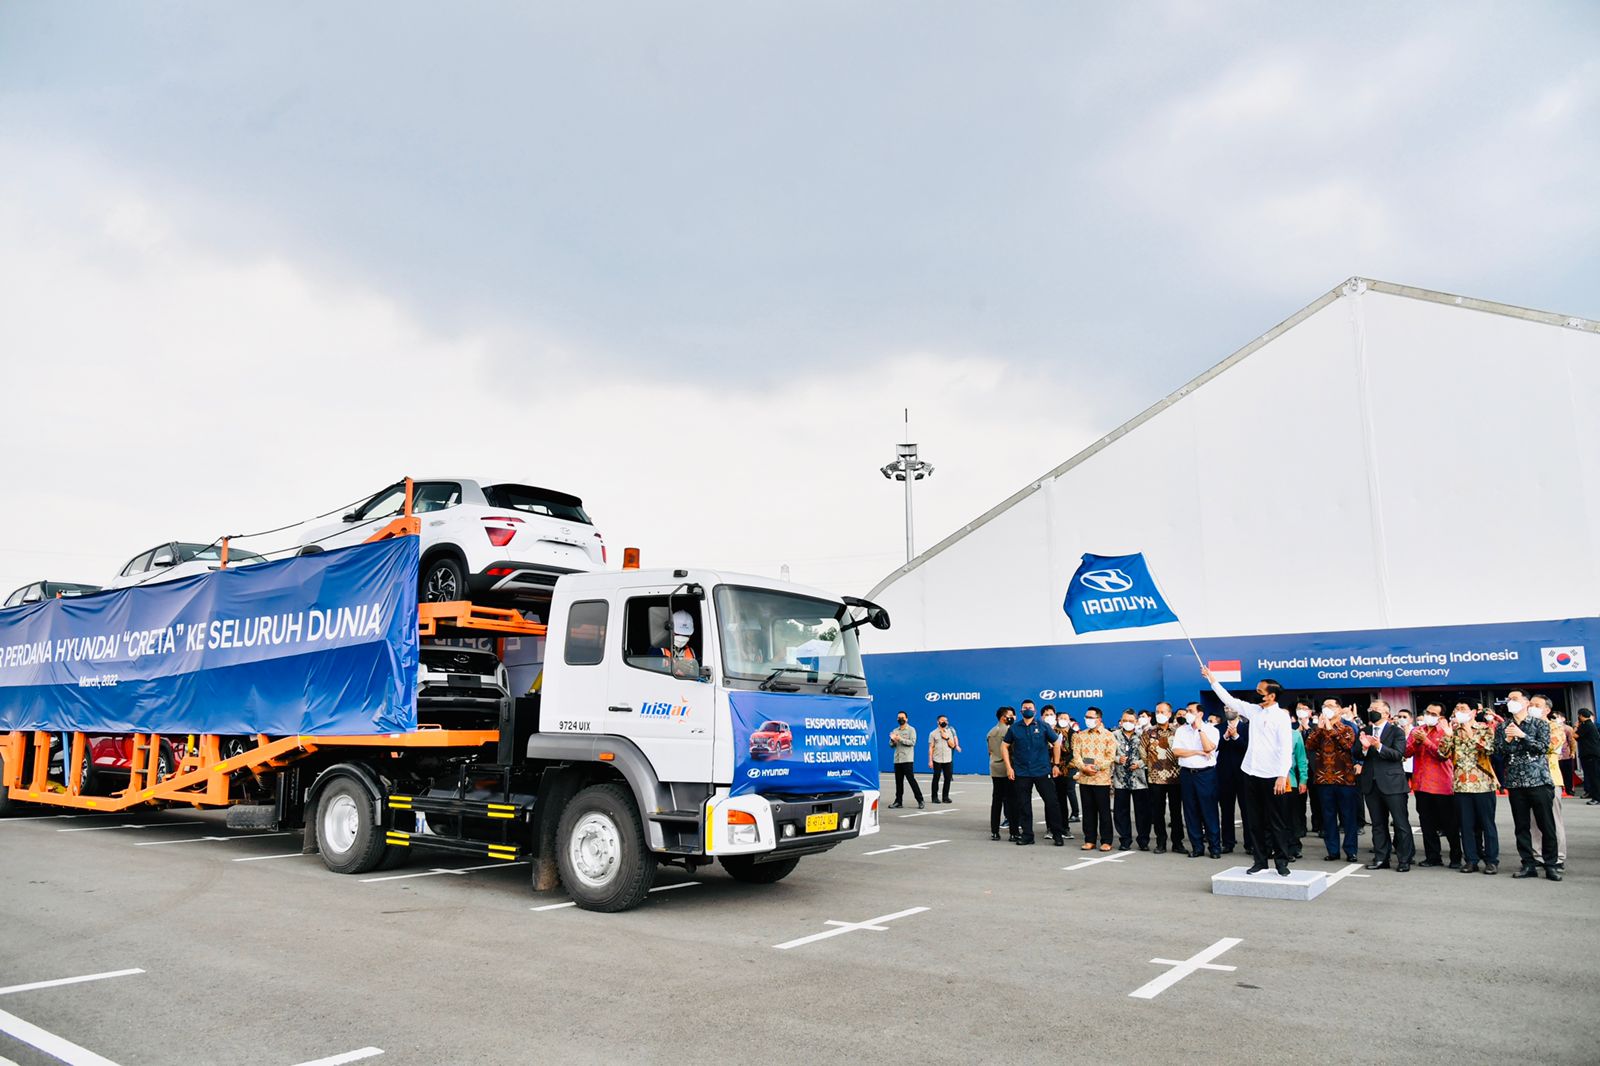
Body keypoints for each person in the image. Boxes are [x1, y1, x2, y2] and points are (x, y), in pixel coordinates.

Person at [1203, 669, 1294, 876]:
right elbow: (1229, 699)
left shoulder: (1281, 717)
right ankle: (1260, 860)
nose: (1256, 693)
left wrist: (1282, 775)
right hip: (1250, 773)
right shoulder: (1254, 711)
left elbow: (1285, 748)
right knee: (1254, 821)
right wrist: (1213, 680)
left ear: (1271, 696)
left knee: (1276, 822)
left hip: (1272, 776)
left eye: (1260, 691)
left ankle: (1281, 862)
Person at [1497, 697, 1560, 881]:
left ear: (1526, 703)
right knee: (1521, 826)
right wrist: (1508, 739)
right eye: (1509, 699)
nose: (1511, 702)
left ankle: (1551, 865)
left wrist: (1523, 735)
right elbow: (1499, 752)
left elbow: (1543, 748)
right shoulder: (1503, 726)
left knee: (1546, 825)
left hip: (1538, 781)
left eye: (1515, 698)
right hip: (1515, 782)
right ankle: (1528, 863)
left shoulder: (1539, 724)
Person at [1439, 701, 1499, 874]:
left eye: (1463, 709)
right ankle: (1471, 860)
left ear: (1473, 712)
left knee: (1487, 825)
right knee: (1466, 825)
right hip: (1460, 785)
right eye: (1456, 709)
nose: (1459, 712)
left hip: (1483, 784)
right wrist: (1448, 735)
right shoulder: (1453, 732)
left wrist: (1470, 733)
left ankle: (1491, 860)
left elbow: (1488, 750)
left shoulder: (1484, 729)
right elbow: (1442, 754)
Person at [1356, 699, 1415, 872]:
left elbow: (1398, 754)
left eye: (1376, 709)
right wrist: (1365, 748)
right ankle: (1382, 858)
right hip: (1371, 783)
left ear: (1387, 714)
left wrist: (1378, 746)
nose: (1372, 711)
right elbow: (1355, 752)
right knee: (1378, 824)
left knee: (1400, 823)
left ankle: (1404, 859)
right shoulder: (1364, 730)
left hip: (1393, 783)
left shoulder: (1396, 732)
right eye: (1371, 708)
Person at [1002, 701, 1065, 846]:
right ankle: (1027, 835)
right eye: (1025, 708)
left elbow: (1056, 743)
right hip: (1022, 772)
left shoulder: (1043, 726)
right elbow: (1004, 746)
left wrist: (1055, 764)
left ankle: (1057, 834)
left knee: (1052, 803)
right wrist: (1009, 767)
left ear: (1035, 711)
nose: (1028, 710)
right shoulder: (1014, 728)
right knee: (1023, 804)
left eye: (1030, 708)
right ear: (1021, 710)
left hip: (1042, 771)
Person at [1406, 704, 1461, 868]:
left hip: (1442, 785)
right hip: (1421, 785)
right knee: (1426, 822)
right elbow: (1406, 752)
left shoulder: (1446, 732)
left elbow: (1443, 756)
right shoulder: (1417, 730)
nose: (1429, 715)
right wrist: (1416, 742)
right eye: (1427, 712)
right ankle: (1432, 856)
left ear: (1441, 717)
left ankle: (1456, 857)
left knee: (1449, 824)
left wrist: (1426, 741)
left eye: (1433, 713)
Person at [1304, 699, 1360, 862]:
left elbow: (1347, 745)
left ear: (1339, 709)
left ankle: (1351, 850)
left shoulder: (1347, 727)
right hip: (1323, 779)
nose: (1327, 709)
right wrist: (1320, 729)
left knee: (1348, 817)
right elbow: (1310, 745)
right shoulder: (1318, 728)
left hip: (1344, 779)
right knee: (1328, 817)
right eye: (1324, 706)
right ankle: (1332, 850)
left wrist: (1331, 728)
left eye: (1330, 706)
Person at [1172, 701, 1221, 858]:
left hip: (1205, 774)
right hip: (1187, 774)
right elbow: (1177, 751)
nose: (1187, 713)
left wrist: (1200, 729)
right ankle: (1197, 847)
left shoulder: (1211, 730)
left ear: (1200, 713)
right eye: (1187, 710)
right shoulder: (1181, 731)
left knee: (1209, 810)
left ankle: (1214, 847)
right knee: (1190, 811)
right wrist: (1197, 752)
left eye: (1191, 711)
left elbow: (1208, 748)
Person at [1142, 702, 1185, 855]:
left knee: (1176, 812)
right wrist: (1153, 764)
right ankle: (1161, 842)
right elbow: (1143, 752)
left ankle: (1178, 842)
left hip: (1175, 777)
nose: (1159, 714)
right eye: (1157, 711)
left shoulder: (1178, 731)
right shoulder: (1149, 732)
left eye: (1162, 711)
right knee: (1158, 812)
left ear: (1169, 714)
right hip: (1155, 778)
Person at [1528, 696, 1566, 868]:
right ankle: (1538, 856)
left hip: (1550, 779)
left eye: (1537, 705)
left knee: (1552, 820)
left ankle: (1558, 857)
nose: (1532, 708)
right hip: (1529, 780)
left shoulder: (1555, 728)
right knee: (1534, 821)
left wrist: (1525, 739)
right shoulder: (1526, 726)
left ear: (1547, 710)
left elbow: (1549, 746)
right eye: (1531, 705)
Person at [1072, 706, 1116, 851]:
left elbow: (1110, 757)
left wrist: (1096, 768)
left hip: (1101, 780)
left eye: (1091, 717)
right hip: (1085, 779)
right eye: (1086, 717)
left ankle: (1106, 840)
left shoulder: (1109, 736)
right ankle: (1089, 839)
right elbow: (1076, 755)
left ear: (1099, 719)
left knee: (1103, 811)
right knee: (1088, 810)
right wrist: (1083, 767)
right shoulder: (1080, 735)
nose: (1087, 720)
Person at [1112, 711, 1152, 851]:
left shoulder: (1144, 735)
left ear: (1136, 722)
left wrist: (1140, 763)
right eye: (1125, 720)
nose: (1127, 722)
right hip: (1120, 779)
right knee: (1121, 812)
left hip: (1139, 780)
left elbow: (1150, 755)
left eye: (1130, 720)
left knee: (1142, 812)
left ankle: (1143, 840)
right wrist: (1117, 759)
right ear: (1121, 722)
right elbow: (1108, 753)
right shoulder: (1113, 735)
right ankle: (1125, 840)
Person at [1214, 697, 1250, 855]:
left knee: (1247, 810)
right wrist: (1226, 737)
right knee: (1226, 810)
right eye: (1226, 708)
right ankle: (1228, 842)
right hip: (1224, 774)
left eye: (1231, 707)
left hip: (1244, 774)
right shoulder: (1218, 728)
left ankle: (1250, 843)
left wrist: (1235, 736)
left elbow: (1247, 748)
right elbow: (1214, 748)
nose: (1229, 710)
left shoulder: (1248, 728)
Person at [1042, 705, 1077, 826]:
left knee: (1062, 798)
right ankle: (1050, 827)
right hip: (1046, 769)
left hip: (1063, 769)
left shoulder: (1067, 733)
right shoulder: (1043, 731)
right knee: (1049, 799)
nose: (1049, 717)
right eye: (1046, 715)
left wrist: (1061, 764)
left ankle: (1064, 827)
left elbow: (1071, 751)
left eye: (1051, 714)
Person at [987, 707, 1018, 841]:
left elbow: (990, 751)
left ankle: (994, 831)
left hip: (995, 767)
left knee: (996, 800)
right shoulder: (1009, 731)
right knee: (1011, 800)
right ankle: (1013, 832)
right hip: (1007, 767)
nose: (1013, 717)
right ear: (1003, 717)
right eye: (1010, 715)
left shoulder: (991, 732)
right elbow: (1012, 750)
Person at [887, 711, 924, 809]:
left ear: (906, 719)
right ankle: (898, 801)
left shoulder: (911, 729)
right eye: (899, 717)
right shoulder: (895, 730)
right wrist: (892, 740)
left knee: (911, 780)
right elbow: (891, 746)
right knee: (898, 782)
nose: (900, 719)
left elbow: (912, 742)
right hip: (897, 759)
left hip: (907, 759)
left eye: (902, 717)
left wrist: (900, 739)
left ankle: (920, 800)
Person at [1285, 712, 1309, 861]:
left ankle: (1294, 847)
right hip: (1269, 780)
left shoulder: (1295, 735)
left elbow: (1301, 759)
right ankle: (1276, 846)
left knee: (1292, 817)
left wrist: (1303, 780)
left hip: (1290, 781)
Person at [1294, 700, 1320, 835]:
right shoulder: (1291, 727)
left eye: (1305, 708)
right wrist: (1298, 730)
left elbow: (1318, 744)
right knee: (1298, 800)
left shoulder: (1316, 727)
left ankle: (1318, 825)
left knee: (1317, 798)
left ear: (1310, 712)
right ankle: (1300, 827)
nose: (1302, 711)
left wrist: (1308, 729)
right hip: (1297, 768)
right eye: (1299, 708)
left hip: (1314, 768)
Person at [927, 715, 960, 804]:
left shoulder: (949, 732)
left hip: (948, 759)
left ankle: (945, 797)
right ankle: (934, 797)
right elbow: (931, 748)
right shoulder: (933, 733)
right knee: (936, 778)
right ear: (938, 722)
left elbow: (953, 745)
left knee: (948, 778)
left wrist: (947, 737)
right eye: (942, 720)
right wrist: (930, 760)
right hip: (937, 759)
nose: (945, 722)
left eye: (946, 720)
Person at [1576, 708, 1600, 805]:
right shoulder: (1589, 725)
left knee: (1594, 777)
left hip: (1591, 755)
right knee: (1591, 776)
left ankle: (1597, 798)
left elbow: (1575, 735)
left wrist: (1575, 726)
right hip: (1590, 754)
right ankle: (1592, 794)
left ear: (1581, 715)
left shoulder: (1586, 725)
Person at [1553, 711, 1577, 798]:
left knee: (1568, 774)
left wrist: (1573, 752)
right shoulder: (1551, 728)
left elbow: (1572, 741)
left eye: (1557, 717)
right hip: (1554, 756)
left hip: (1566, 755)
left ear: (1563, 719)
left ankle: (1569, 790)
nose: (1555, 719)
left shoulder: (1567, 729)